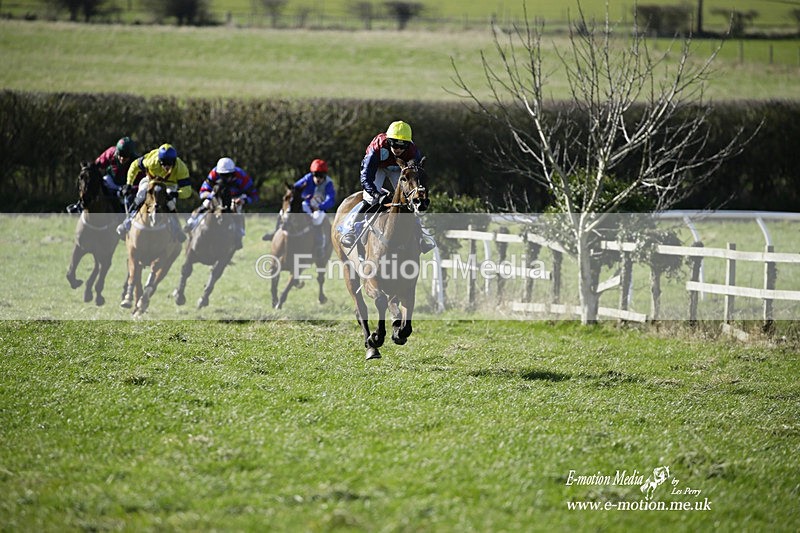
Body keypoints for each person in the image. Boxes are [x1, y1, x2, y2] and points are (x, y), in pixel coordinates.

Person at [339, 120, 434, 252]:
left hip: (399, 168)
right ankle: (350, 230)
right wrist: (376, 194)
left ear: (409, 144)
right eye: (395, 144)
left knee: (409, 201)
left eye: (403, 146)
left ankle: (421, 237)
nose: (398, 149)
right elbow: (366, 177)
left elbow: (414, 177)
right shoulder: (376, 147)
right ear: (388, 141)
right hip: (377, 168)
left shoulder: (413, 152)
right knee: (371, 200)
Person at [116, 143, 192, 242]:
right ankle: (127, 222)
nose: (167, 167)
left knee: (170, 203)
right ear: (159, 161)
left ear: (174, 161)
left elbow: (187, 190)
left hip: (169, 185)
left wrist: (176, 193)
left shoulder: (181, 168)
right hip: (150, 180)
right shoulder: (152, 160)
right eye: (164, 164)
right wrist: (129, 183)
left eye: (169, 164)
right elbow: (135, 165)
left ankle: (176, 229)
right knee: (141, 195)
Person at [262, 159, 336, 257]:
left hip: (319, 209)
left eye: (321, 176)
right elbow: (294, 188)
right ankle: (275, 232)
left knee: (317, 220)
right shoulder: (307, 178)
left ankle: (319, 246)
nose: (318, 178)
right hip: (305, 205)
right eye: (316, 175)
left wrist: (319, 207)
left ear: (325, 175)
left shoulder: (328, 183)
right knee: (282, 212)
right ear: (312, 174)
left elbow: (331, 199)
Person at [184, 157, 258, 249]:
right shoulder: (214, 174)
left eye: (227, 175)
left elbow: (254, 196)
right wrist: (212, 196)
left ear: (233, 173)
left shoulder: (242, 176)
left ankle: (239, 234)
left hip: (235, 198)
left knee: (236, 209)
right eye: (222, 175)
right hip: (217, 196)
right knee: (206, 203)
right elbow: (202, 192)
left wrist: (244, 200)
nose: (225, 179)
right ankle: (191, 223)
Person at [66, 136, 139, 213]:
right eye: (120, 154)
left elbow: (142, 183)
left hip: (128, 186)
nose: (121, 158)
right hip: (111, 180)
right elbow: (96, 165)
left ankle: (128, 218)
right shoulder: (111, 153)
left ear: (131, 155)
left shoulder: (137, 162)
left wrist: (131, 189)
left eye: (125, 156)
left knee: (128, 201)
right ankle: (79, 205)